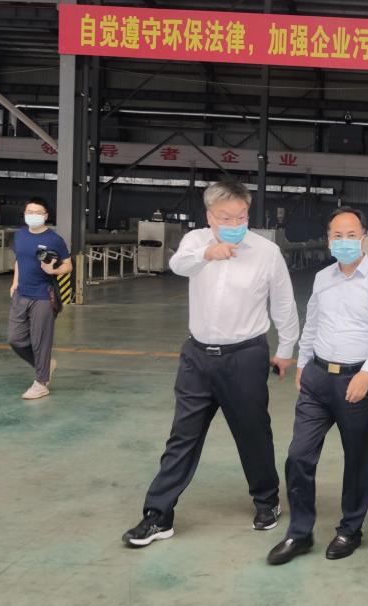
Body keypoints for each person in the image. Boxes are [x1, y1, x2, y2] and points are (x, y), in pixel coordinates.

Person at [123, 181, 300, 547]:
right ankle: (158, 515)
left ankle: (266, 500)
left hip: (245, 356)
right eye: (225, 217)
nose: (235, 223)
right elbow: (177, 265)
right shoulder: (195, 242)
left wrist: (285, 348)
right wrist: (208, 253)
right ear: (209, 217)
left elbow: (283, 303)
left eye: (241, 216)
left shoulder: (266, 252)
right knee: (182, 436)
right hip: (198, 356)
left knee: (253, 433)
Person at [267, 207, 368, 565]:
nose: (344, 242)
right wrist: (303, 362)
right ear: (328, 240)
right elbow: (313, 323)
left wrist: (367, 373)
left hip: (357, 380)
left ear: (363, 238)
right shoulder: (322, 278)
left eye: (351, 235)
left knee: (356, 458)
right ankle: (300, 533)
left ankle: (350, 529)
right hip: (317, 378)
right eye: (337, 236)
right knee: (299, 455)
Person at [8, 199, 72, 400]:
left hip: (43, 296)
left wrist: (53, 270)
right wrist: (15, 282)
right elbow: (19, 260)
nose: (32, 215)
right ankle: (45, 365)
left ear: (45, 216)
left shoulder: (54, 239)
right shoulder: (20, 235)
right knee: (15, 339)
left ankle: (41, 383)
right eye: (29, 211)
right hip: (21, 294)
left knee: (40, 342)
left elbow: (68, 265)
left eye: (37, 212)